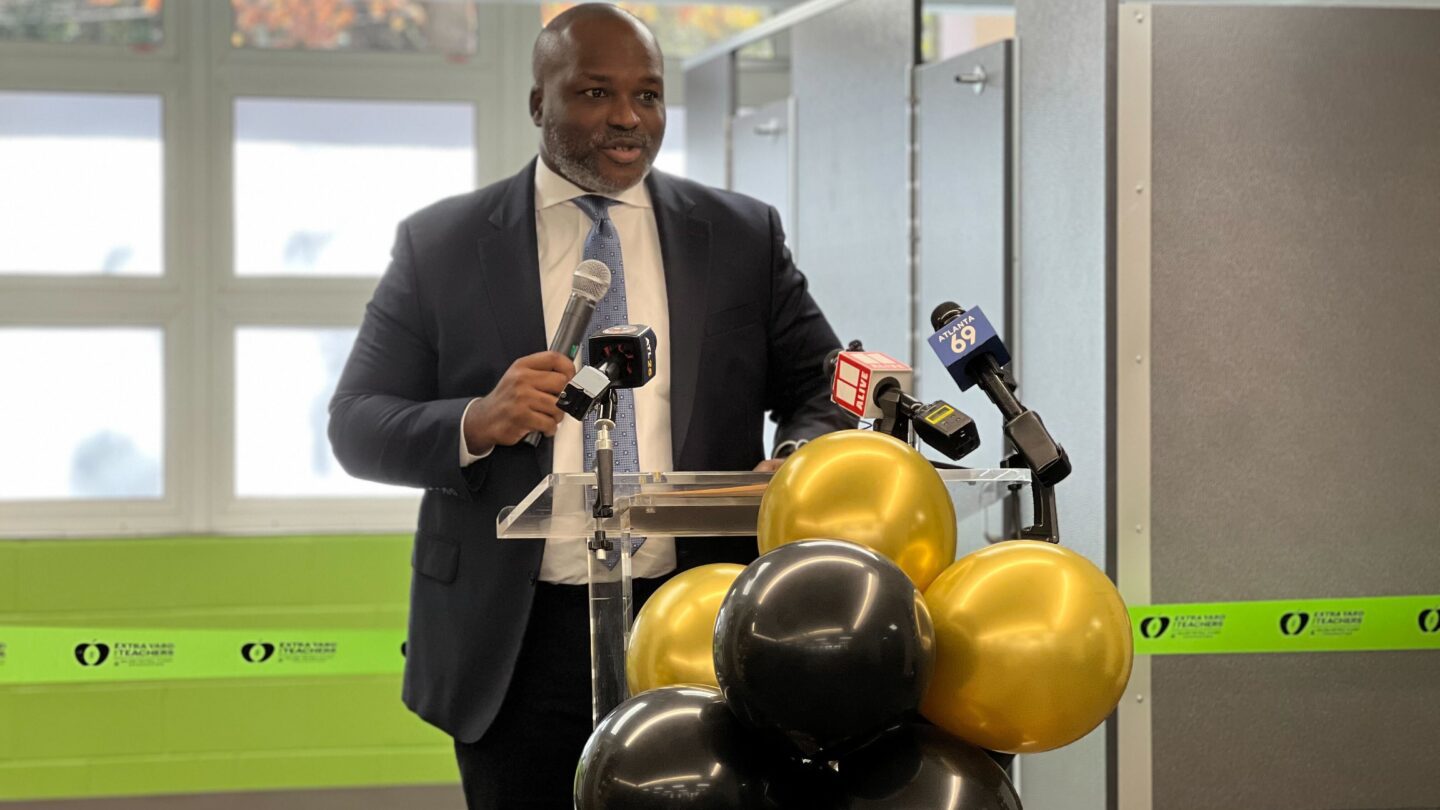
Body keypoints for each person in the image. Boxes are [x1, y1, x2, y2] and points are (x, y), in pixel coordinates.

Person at [328, 4, 853, 807]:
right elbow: (357, 422)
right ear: (539, 103)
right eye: (595, 92)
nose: (626, 119)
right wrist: (475, 420)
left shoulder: (740, 235)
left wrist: (795, 460)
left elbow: (822, 381)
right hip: (517, 639)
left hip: (700, 612)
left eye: (647, 96)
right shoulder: (440, 244)